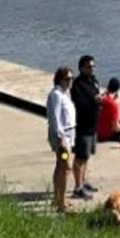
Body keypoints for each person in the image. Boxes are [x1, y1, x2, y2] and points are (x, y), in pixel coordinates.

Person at [70, 54, 101, 200]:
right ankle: (77, 188)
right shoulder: (78, 85)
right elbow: (79, 104)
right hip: (82, 125)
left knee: (87, 155)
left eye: (93, 67)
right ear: (81, 68)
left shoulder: (93, 81)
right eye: (89, 67)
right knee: (80, 157)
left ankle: (83, 181)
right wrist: (95, 101)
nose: (92, 69)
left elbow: (97, 97)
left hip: (93, 125)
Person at [46, 66, 75, 213]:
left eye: (71, 79)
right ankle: (61, 201)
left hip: (69, 134)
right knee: (66, 166)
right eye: (68, 79)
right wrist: (62, 138)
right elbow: (55, 118)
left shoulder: (65, 93)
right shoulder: (56, 95)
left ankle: (57, 198)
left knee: (60, 164)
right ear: (60, 79)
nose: (70, 81)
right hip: (62, 136)